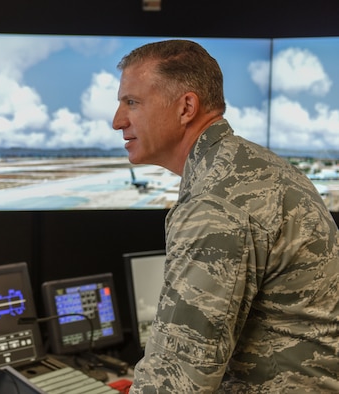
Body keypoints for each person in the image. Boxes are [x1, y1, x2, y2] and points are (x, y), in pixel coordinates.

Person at [113, 39, 339, 392]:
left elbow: (177, 382)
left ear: (186, 107)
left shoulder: (216, 202)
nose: (117, 121)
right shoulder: (256, 167)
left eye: (132, 102)